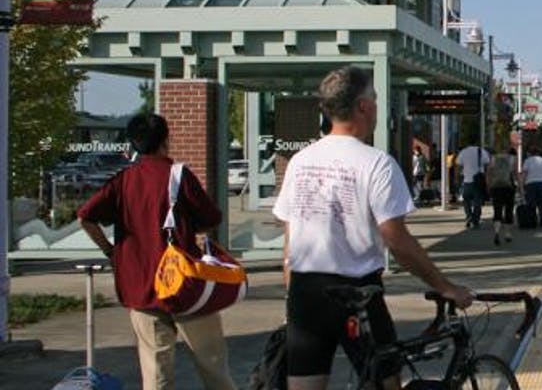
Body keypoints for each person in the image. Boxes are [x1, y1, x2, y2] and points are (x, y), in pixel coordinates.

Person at [273, 65, 473, 390]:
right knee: (386, 381)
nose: (378, 107)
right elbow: (397, 241)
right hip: (358, 294)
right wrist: (445, 286)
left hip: (305, 292)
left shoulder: (300, 161)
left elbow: (290, 242)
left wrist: (291, 297)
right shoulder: (377, 164)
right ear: (363, 106)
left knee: (304, 386)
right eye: (376, 99)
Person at [77, 113, 237, 390]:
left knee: (155, 372)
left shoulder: (123, 180)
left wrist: (110, 251)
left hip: (139, 286)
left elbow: (85, 216)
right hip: (184, 286)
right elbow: (211, 218)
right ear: (166, 139)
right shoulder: (178, 175)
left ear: (134, 143)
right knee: (212, 366)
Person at [487, 147, 518, 245]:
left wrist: (489, 186)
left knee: (497, 210)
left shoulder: (493, 159)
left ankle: (496, 232)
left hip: (496, 187)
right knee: (509, 210)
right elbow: (515, 174)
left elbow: (488, 173)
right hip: (508, 187)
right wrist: (520, 188)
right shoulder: (512, 159)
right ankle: (507, 234)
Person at [458, 142, 491, 229]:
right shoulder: (482, 151)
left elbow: (458, 165)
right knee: (478, 201)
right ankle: (475, 220)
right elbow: (487, 164)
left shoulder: (463, 152)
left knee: (466, 200)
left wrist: (458, 176)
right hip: (478, 181)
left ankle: (469, 216)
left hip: (467, 180)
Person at [521, 149, 542, 227]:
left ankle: (532, 218)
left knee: (531, 202)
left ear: (530, 153)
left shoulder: (527, 161)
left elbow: (524, 174)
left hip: (530, 183)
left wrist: (522, 185)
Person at [411, 140, 429, 204]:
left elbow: (426, 164)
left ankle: (418, 197)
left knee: (418, 185)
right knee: (417, 185)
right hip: (417, 172)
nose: (415, 151)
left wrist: (427, 171)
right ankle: (418, 196)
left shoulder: (420, 156)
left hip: (419, 173)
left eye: (415, 149)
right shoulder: (416, 156)